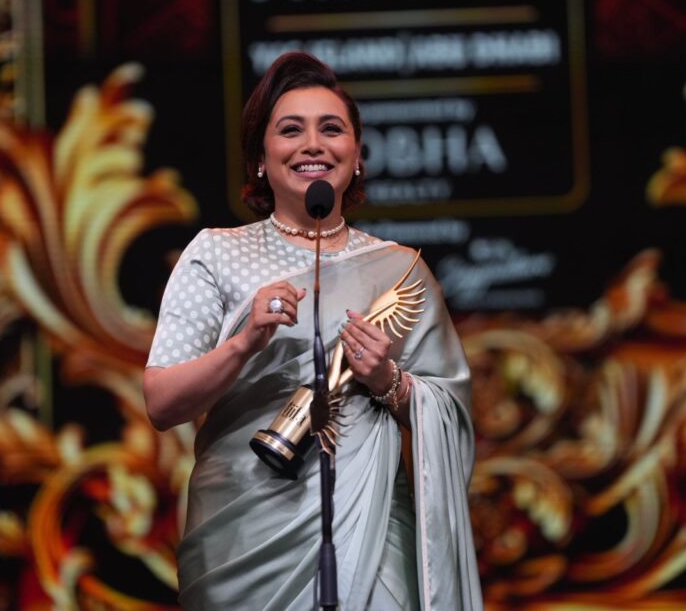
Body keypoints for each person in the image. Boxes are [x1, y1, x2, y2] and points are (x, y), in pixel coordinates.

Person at [143, 52, 482, 610]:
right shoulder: (216, 254)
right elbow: (161, 402)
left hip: (373, 531)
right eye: (290, 130)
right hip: (245, 533)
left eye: (331, 129)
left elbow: (451, 413)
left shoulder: (401, 272)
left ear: (357, 155)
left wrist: (388, 380)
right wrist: (244, 344)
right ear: (260, 158)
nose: (313, 145)